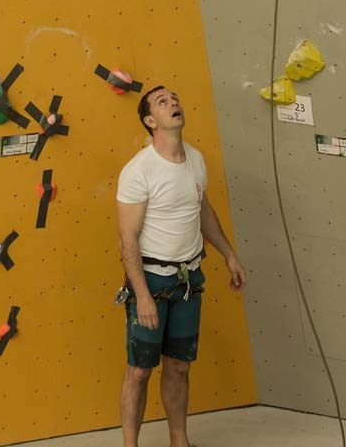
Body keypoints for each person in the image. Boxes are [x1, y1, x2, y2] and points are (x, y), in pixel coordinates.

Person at [116, 86, 246, 447]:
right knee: (140, 371)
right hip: (151, 283)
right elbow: (128, 241)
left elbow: (201, 209)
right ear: (150, 120)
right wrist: (142, 295)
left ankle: (179, 442)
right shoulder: (138, 171)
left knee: (179, 366)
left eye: (174, 98)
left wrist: (229, 254)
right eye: (162, 102)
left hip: (188, 280)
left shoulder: (196, 160)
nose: (173, 103)